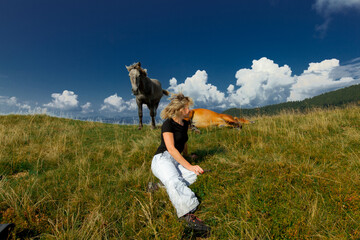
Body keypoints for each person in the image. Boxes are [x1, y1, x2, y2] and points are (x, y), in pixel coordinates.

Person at [151, 93, 211, 232]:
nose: (189, 110)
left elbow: (183, 142)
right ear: (179, 109)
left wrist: (188, 155)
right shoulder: (168, 124)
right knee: (174, 181)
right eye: (187, 107)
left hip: (177, 160)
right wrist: (189, 165)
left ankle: (158, 186)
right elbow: (171, 149)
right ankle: (187, 214)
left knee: (196, 174)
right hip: (162, 159)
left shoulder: (185, 123)